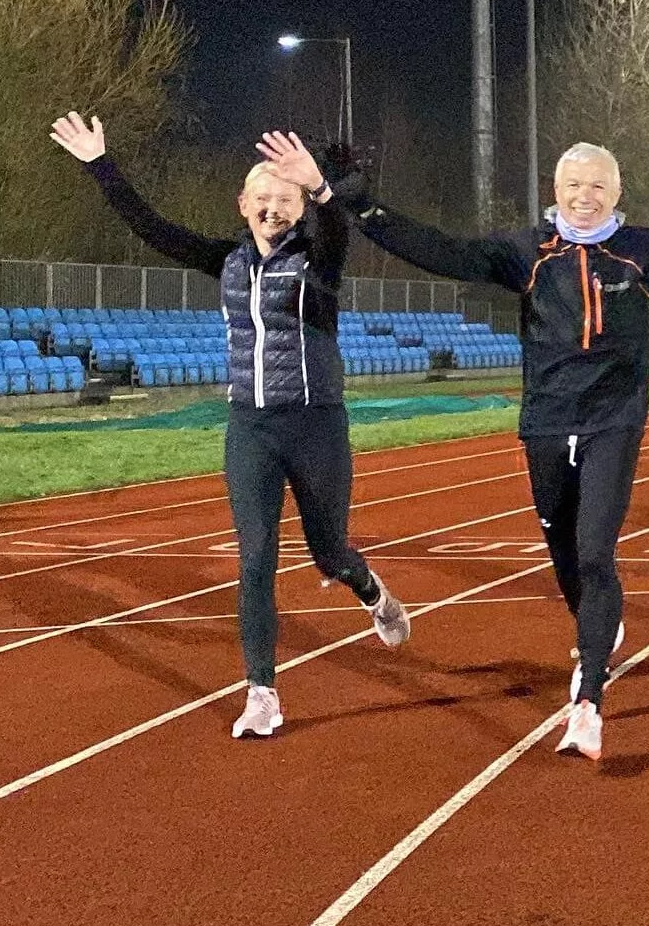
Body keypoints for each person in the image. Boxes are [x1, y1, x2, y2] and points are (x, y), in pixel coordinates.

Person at [261, 139, 649, 760]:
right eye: (574, 185)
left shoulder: (641, 252)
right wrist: (354, 204)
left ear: (617, 193)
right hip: (546, 422)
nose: (585, 196)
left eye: (598, 186)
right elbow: (443, 252)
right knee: (569, 561)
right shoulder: (527, 251)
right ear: (555, 190)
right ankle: (597, 625)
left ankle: (589, 700)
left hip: (613, 421)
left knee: (597, 552)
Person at [50, 113, 411, 738]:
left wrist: (321, 189)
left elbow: (337, 235)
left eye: (285, 198)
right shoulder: (226, 262)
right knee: (254, 560)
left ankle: (371, 590)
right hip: (250, 430)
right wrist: (100, 166)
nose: (272, 208)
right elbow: (151, 228)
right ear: (242, 204)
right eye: (262, 198)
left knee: (328, 555)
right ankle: (263, 691)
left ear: (298, 208)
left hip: (316, 426)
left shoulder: (318, 265)